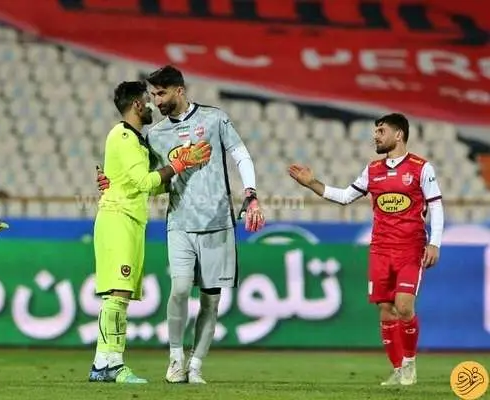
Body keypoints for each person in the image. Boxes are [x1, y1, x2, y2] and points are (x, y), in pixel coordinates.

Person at [97, 66, 265, 384]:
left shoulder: (214, 119)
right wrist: (111, 181)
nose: (156, 100)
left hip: (217, 222)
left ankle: (196, 364)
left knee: (211, 300)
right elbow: (147, 181)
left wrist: (251, 193)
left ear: (180, 90)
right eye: (153, 94)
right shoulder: (156, 136)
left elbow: (241, 154)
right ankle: (175, 360)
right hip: (179, 223)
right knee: (180, 289)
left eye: (161, 93)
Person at [287, 113, 444, 386]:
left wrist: (435, 242)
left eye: (381, 131)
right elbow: (345, 197)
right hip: (380, 249)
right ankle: (398, 369)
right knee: (385, 308)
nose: (376, 136)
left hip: (410, 248)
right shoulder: (372, 170)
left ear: (398, 134)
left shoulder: (421, 168)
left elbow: (436, 206)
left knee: (404, 306)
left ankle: (409, 363)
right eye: (376, 131)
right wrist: (312, 183)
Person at [89, 80, 212, 384]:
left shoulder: (136, 140)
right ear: (136, 104)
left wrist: (181, 173)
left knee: (120, 294)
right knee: (117, 293)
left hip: (131, 219)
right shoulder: (123, 136)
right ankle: (110, 364)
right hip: (118, 218)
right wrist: (179, 164)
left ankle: (104, 363)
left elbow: (150, 186)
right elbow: (145, 182)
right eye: (148, 99)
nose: (153, 105)